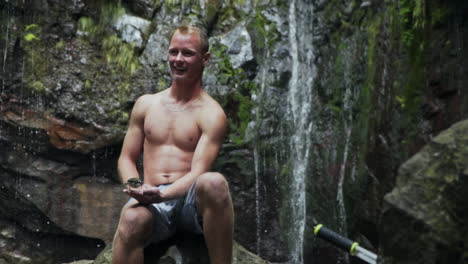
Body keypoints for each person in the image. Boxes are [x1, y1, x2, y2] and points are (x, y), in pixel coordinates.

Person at [111, 24, 234, 264]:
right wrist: (136, 186)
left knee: (215, 183)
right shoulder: (146, 104)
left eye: (187, 53)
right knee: (131, 220)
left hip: (190, 202)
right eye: (173, 52)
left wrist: (161, 194)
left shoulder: (211, 113)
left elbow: (199, 172)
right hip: (152, 201)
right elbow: (126, 158)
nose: (178, 59)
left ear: (205, 59)